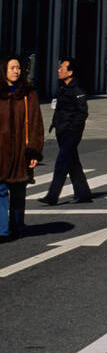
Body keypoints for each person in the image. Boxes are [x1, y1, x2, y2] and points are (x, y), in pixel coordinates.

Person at [0, 55, 44, 241]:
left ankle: (17, 225)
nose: (16, 71)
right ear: (4, 70)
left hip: (21, 149)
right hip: (1, 150)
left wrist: (34, 151)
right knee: (1, 189)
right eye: (12, 68)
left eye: (18, 68)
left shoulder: (28, 93)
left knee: (18, 189)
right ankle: (2, 230)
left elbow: (35, 123)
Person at [39, 58, 93, 205]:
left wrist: (72, 128)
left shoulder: (77, 90)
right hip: (61, 130)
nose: (59, 70)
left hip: (71, 132)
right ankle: (84, 194)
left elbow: (83, 113)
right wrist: (55, 124)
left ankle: (52, 195)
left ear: (70, 72)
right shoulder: (61, 87)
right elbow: (57, 108)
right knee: (72, 162)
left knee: (61, 163)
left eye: (62, 68)